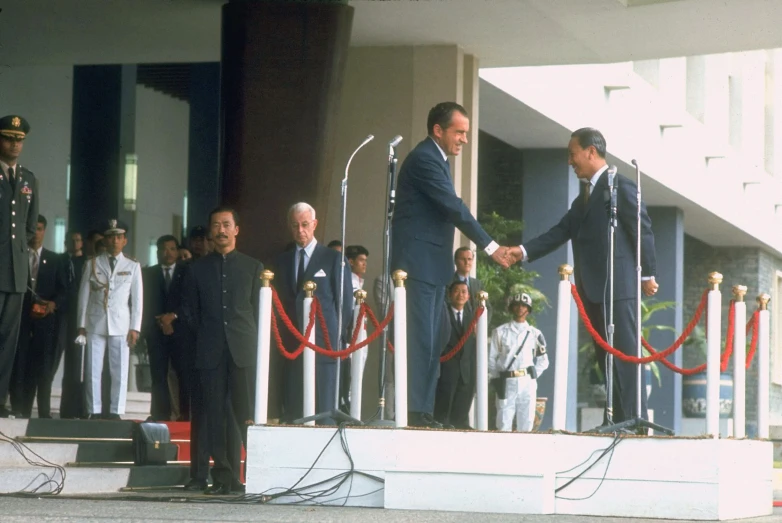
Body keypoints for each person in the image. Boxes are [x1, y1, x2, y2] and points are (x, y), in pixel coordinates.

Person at [512, 127, 658, 424]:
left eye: (572, 154)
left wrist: (648, 274)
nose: (570, 161)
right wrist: (521, 252)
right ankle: (614, 417)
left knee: (626, 355)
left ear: (591, 152)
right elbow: (560, 232)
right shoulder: (585, 197)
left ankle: (634, 419)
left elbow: (641, 229)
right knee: (605, 355)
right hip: (593, 289)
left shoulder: (620, 187)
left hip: (620, 287)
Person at [390, 102, 511, 428]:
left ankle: (422, 411)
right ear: (438, 130)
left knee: (432, 341)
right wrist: (491, 246)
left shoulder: (437, 159)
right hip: (416, 267)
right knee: (420, 341)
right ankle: (413, 412)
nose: (464, 140)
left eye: (466, 133)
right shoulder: (425, 160)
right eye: (459, 132)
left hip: (430, 267)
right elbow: (454, 208)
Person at [183, 206, 263, 495]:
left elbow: (260, 312)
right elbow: (191, 314)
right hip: (210, 351)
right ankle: (223, 478)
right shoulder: (196, 269)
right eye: (216, 225)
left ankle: (256, 474)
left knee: (246, 416)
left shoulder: (254, 267)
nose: (221, 230)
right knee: (215, 417)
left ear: (236, 229)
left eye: (226, 224)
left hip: (243, 350)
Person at [274, 202, 352, 424]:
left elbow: (344, 306)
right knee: (295, 412)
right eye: (296, 225)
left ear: (315, 224)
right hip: (292, 348)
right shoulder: (281, 261)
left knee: (324, 413)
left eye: (305, 224)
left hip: (323, 346)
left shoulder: (334, 259)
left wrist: (337, 338)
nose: (301, 230)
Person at [77, 219, 143, 420]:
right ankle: (94, 410)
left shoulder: (132, 265)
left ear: (125, 240)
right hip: (95, 323)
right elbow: (83, 296)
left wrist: (135, 328)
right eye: (111, 237)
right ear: (105, 240)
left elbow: (138, 299)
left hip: (121, 324)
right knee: (92, 370)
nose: (115, 240)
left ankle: (116, 411)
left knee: (120, 371)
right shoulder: (93, 263)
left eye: (118, 237)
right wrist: (81, 325)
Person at [10, 215, 68, 418]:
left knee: (44, 369)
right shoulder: (17, 256)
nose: (36, 233)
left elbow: (64, 290)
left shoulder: (55, 259)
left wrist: (53, 304)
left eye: (41, 229)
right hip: (21, 322)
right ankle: (20, 409)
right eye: (33, 229)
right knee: (20, 365)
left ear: (45, 231)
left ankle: (44, 412)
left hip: (46, 323)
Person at [0, 115, 38, 418]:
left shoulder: (28, 179)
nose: (14, 144)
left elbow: (28, 227)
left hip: (16, 272)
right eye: (8, 138)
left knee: (8, 342)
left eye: (19, 140)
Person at [142, 235, 192, 421]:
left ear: (178, 251)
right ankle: (159, 413)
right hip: (156, 332)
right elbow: (144, 302)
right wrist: (161, 321)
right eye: (164, 249)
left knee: (183, 373)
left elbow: (190, 301)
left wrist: (173, 317)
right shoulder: (148, 274)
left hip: (181, 331)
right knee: (158, 374)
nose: (168, 253)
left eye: (172, 249)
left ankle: (184, 415)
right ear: (157, 252)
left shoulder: (187, 271)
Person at [488, 292, 548, 432]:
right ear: (511, 308)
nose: (520, 308)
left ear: (528, 309)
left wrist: (532, 376)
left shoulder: (535, 333)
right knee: (503, 421)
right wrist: (497, 378)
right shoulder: (500, 332)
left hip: (527, 381)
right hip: (506, 381)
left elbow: (543, 361)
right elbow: (491, 359)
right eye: (517, 305)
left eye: (524, 306)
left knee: (526, 421)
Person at [433, 280, 475, 430]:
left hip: (464, 366)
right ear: (450, 294)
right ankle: (442, 421)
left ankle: (461, 423)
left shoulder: (473, 317)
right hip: (447, 363)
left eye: (464, 291)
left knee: (463, 397)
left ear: (469, 296)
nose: (460, 295)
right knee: (445, 396)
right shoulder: (442, 313)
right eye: (457, 291)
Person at [60, 230, 89, 419]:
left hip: (80, 319)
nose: (75, 242)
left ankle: (79, 407)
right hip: (62, 316)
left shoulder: (87, 263)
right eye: (71, 239)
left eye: (78, 239)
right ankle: (66, 409)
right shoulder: (60, 261)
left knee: (79, 365)